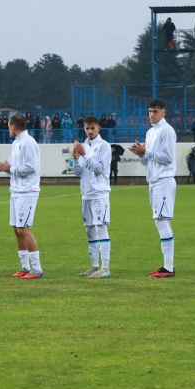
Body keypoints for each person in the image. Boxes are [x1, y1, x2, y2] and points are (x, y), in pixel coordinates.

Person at [129, 99, 177, 278]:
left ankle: (169, 267)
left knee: (162, 221)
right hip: (153, 181)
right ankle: (167, 266)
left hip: (164, 180)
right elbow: (148, 160)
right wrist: (141, 154)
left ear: (164, 112)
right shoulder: (150, 132)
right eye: (150, 111)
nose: (151, 114)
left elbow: (168, 157)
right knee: (160, 220)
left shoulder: (167, 130)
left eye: (155, 111)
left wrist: (146, 152)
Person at [0, 114, 43, 279]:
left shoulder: (28, 142)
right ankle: (24, 266)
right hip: (16, 190)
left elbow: (31, 167)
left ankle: (37, 268)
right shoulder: (16, 143)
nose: (9, 129)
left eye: (9, 126)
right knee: (16, 229)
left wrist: (9, 168)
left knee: (23, 229)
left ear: (13, 126)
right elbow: (15, 166)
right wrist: (4, 166)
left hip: (27, 191)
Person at [72, 115, 112, 278]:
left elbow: (100, 169)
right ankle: (94, 266)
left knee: (101, 227)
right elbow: (78, 172)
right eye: (87, 128)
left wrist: (84, 155)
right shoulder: (83, 146)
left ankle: (105, 268)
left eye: (92, 128)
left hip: (99, 193)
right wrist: (76, 159)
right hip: (86, 193)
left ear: (98, 128)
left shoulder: (104, 146)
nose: (90, 131)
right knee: (89, 230)